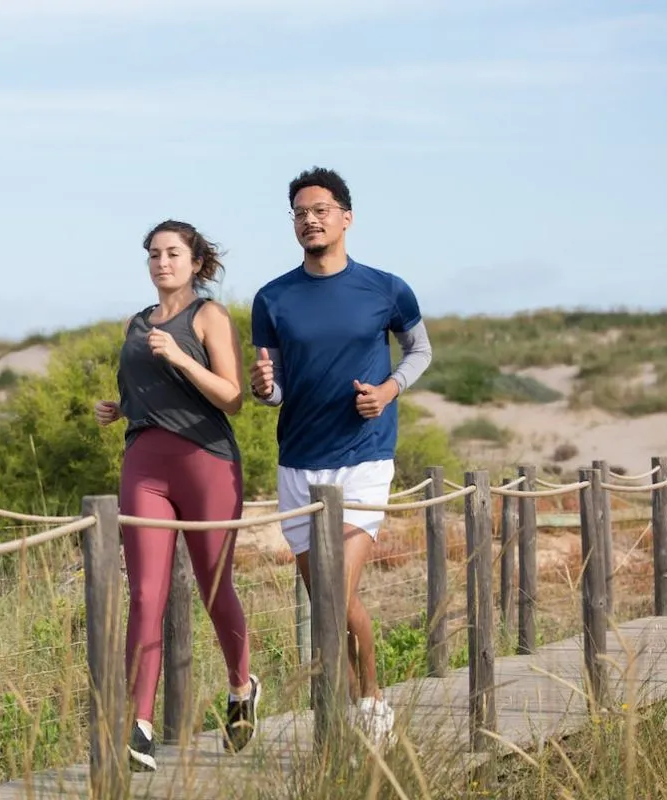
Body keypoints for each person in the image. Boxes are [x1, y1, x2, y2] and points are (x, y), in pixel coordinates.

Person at [248, 167, 433, 748]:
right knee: (330, 598)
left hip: (363, 458)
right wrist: (263, 389)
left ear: (346, 216)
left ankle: (368, 702)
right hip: (298, 462)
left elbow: (420, 349)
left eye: (321, 209)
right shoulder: (271, 298)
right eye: (300, 212)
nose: (310, 219)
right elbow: (275, 387)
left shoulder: (386, 288)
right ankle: (361, 701)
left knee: (332, 594)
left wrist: (389, 390)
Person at [95, 219, 260, 772]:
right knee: (145, 594)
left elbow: (233, 397)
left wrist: (182, 358)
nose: (162, 262)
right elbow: (143, 390)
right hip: (144, 462)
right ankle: (137, 726)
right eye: (154, 254)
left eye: (172, 253)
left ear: (194, 261)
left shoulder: (208, 316)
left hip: (207, 461)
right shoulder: (135, 324)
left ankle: (241, 689)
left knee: (215, 588)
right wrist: (118, 408)